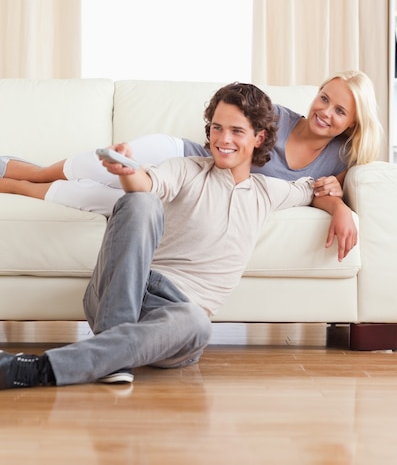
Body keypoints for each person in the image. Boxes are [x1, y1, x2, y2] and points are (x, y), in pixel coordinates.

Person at [0, 82, 315, 390]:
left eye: (236, 131)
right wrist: (126, 170)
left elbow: (311, 189)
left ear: (259, 138)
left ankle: (101, 357)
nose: (223, 139)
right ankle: (62, 363)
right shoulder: (187, 169)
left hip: (175, 321)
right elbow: (147, 184)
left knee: (198, 324)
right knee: (142, 202)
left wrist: (337, 204)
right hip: (129, 290)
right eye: (217, 128)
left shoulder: (266, 191)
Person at [0, 70, 382, 260]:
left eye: (339, 110)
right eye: (323, 98)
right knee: (101, 166)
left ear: (353, 122)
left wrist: (340, 206)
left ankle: (12, 184)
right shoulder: (274, 117)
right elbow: (225, 129)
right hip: (182, 158)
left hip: (195, 191)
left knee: (100, 200)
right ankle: (28, 172)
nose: (324, 111)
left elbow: (316, 193)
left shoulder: (343, 157)